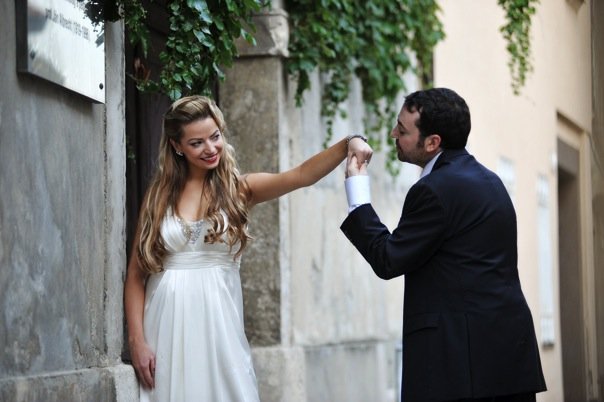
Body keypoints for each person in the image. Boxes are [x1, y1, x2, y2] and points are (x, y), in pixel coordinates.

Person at [124, 95, 372, 402]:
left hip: (219, 327)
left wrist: (349, 142)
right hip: (165, 327)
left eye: (215, 136)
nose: (210, 148)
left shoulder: (239, 190)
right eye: (197, 143)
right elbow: (136, 275)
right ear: (177, 146)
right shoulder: (158, 196)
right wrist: (137, 341)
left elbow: (300, 176)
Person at [341, 88, 546, 402]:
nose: (393, 133)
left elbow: (388, 259)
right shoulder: (491, 181)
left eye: (403, 130)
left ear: (432, 142)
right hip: (507, 361)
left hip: (460, 368)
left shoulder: (434, 190)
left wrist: (357, 191)